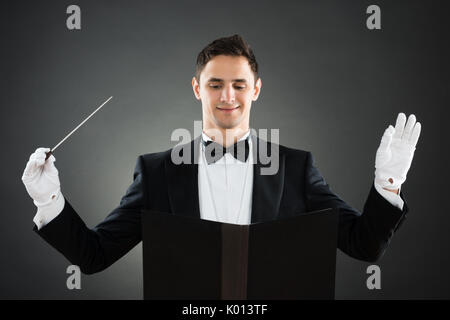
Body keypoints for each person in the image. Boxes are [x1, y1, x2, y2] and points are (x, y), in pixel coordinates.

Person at [21, 34, 421, 275]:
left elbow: (363, 245)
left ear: (256, 89)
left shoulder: (296, 169)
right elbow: (93, 255)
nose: (227, 96)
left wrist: (388, 183)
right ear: (197, 88)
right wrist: (48, 198)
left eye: (238, 84)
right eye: (215, 84)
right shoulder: (157, 172)